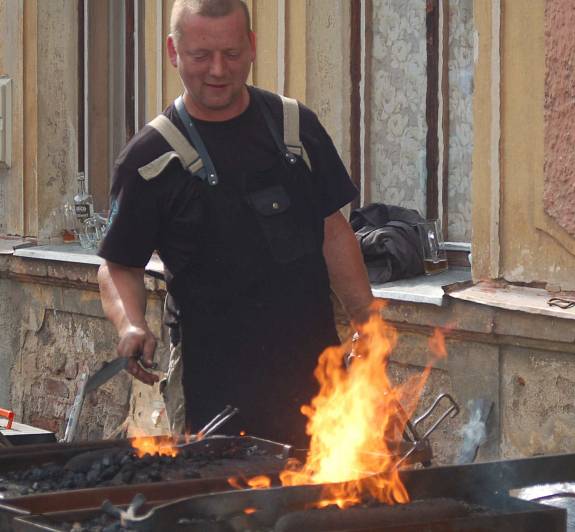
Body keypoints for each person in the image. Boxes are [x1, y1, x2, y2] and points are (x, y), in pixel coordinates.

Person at [97, 0, 373, 447]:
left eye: (231, 54)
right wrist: (131, 325)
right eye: (201, 56)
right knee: (222, 510)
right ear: (173, 51)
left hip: (315, 379)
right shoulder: (149, 158)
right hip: (213, 390)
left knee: (324, 506)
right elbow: (117, 265)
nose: (218, 70)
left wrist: (368, 321)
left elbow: (333, 231)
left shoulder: (295, 128)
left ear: (252, 47)